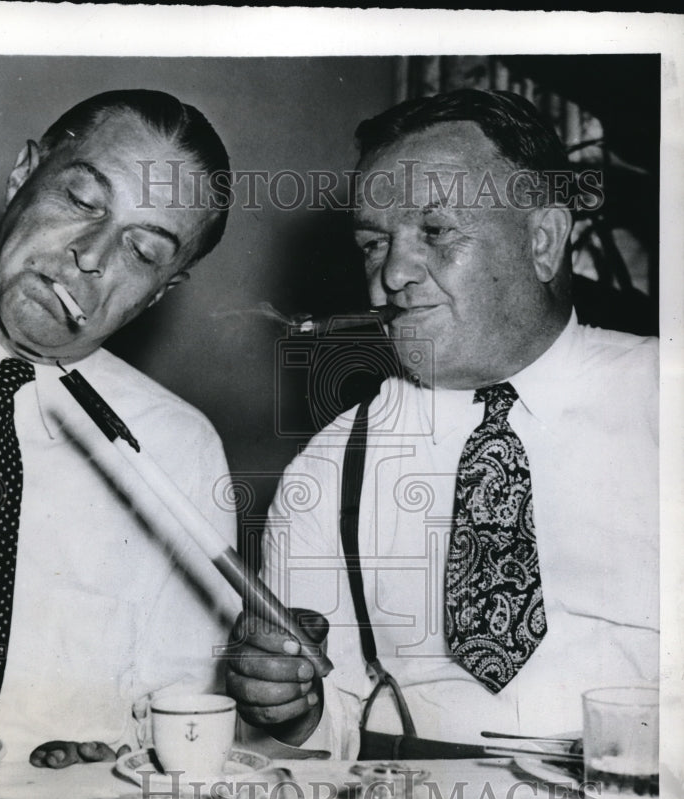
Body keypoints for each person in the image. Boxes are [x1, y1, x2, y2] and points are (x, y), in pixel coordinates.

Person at [226, 89, 658, 759]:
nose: (392, 275)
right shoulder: (330, 465)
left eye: (435, 231)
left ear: (541, 241)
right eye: (374, 244)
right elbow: (325, 736)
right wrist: (292, 712)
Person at [0, 90, 240, 765]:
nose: (91, 256)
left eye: (142, 250)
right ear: (23, 174)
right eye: (81, 199)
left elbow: (178, 727)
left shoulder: (177, 450)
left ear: (162, 290)